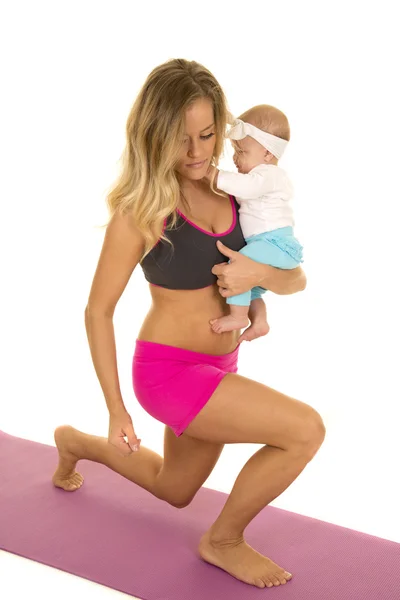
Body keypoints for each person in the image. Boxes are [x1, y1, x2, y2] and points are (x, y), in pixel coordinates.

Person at [52, 58, 326, 590]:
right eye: (182, 140)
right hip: (169, 373)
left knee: (175, 488)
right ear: (154, 137)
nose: (198, 153)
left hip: (220, 362)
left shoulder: (237, 192)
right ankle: (222, 540)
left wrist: (261, 277)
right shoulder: (140, 210)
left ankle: (74, 444)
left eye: (207, 135)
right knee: (304, 431)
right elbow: (97, 310)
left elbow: (296, 279)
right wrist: (116, 410)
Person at [206, 105, 303, 338]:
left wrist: (214, 174)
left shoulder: (269, 175)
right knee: (251, 290)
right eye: (235, 151)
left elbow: (246, 188)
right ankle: (259, 321)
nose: (236, 158)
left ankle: (238, 317)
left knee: (240, 267)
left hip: (275, 243)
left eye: (242, 151)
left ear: (268, 154)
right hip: (266, 245)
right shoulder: (259, 177)